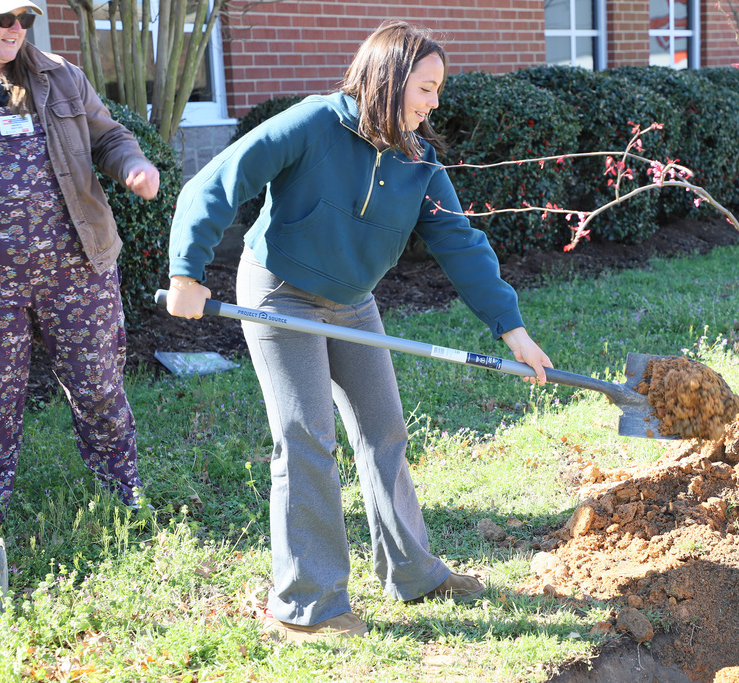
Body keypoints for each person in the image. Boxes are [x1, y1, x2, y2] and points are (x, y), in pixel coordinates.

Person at [166, 20, 552, 642]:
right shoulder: (315, 123)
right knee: (307, 437)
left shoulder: (419, 161)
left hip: (351, 301)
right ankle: (307, 605)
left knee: (385, 430)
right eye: (425, 88)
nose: (432, 105)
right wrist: (187, 271)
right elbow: (218, 181)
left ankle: (413, 571)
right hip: (279, 291)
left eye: (437, 92)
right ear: (389, 78)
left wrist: (512, 328)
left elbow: (462, 244)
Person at [0, 0, 161, 613]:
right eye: (3, 18)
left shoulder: (58, 75)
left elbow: (108, 135)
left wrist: (132, 164)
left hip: (75, 267)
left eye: (24, 21)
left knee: (99, 384)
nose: (16, 31)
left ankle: (123, 495)